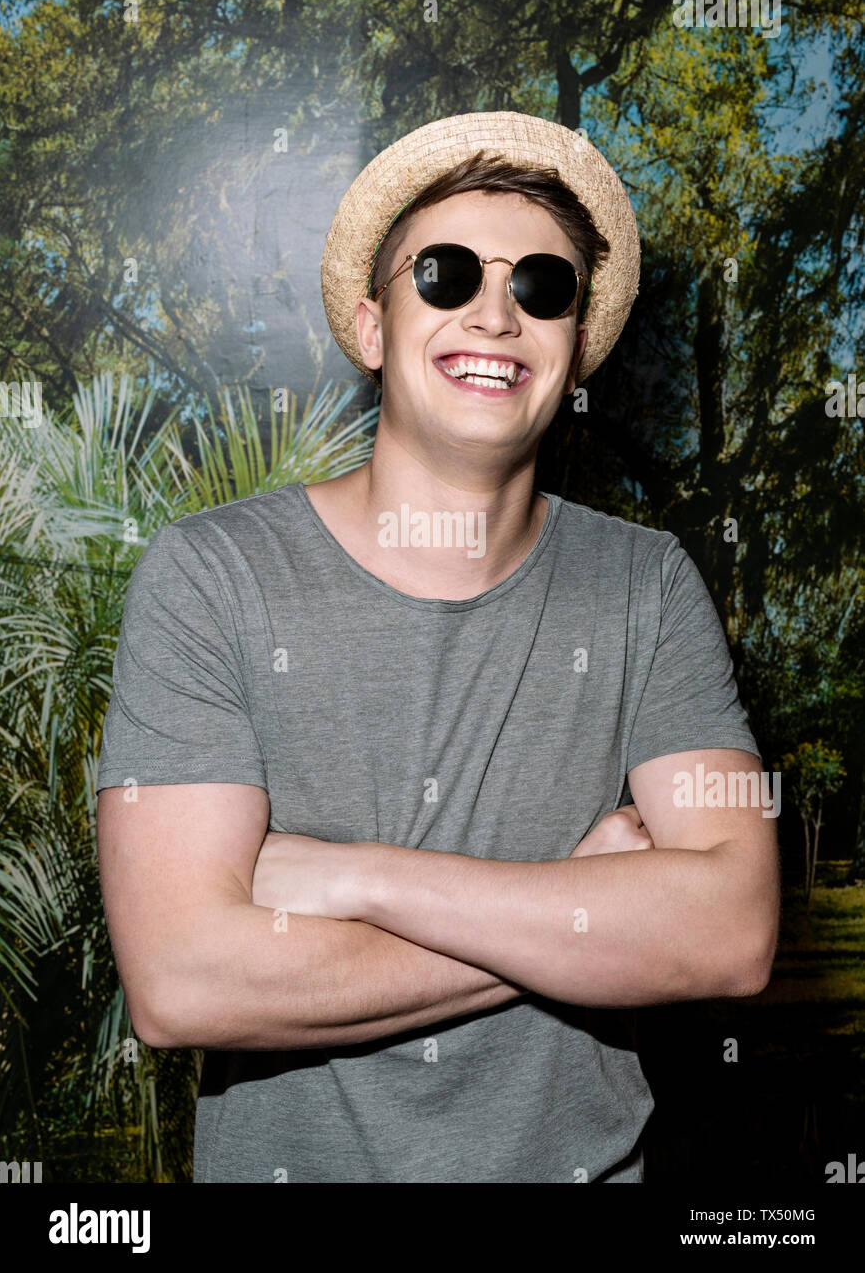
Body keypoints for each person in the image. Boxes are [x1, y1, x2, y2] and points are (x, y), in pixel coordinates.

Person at [96, 110, 780, 1184]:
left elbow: (730, 933)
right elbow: (183, 984)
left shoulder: (645, 585)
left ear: (574, 343)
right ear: (371, 327)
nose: (495, 313)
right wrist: (572, 910)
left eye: (541, 287)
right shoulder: (210, 577)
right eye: (446, 273)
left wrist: (353, 876)